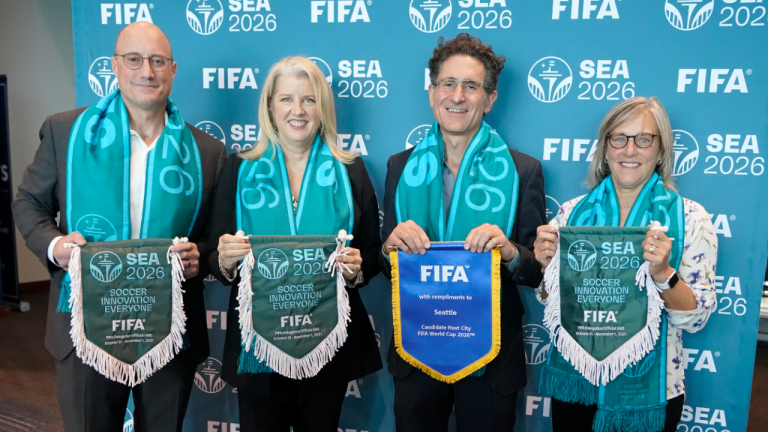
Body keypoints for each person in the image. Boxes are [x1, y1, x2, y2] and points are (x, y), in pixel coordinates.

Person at [11, 22, 226, 431]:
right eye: (134, 59)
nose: (147, 71)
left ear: (173, 70)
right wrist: (55, 246)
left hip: (169, 328)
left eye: (158, 61)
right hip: (83, 324)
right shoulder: (65, 132)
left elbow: (213, 243)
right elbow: (29, 203)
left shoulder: (207, 152)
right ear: (114, 65)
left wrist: (199, 258)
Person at [379, 33, 546, 432]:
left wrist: (509, 251)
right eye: (448, 83)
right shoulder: (399, 167)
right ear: (431, 93)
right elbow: (386, 266)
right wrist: (389, 249)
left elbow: (538, 271)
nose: (457, 96)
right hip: (417, 346)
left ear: (489, 99)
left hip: (491, 355)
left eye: (471, 86)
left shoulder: (523, 170)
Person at [205, 56, 382, 432]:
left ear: (322, 108)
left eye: (309, 99)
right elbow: (212, 255)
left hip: (328, 344)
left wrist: (357, 268)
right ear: (270, 107)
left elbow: (371, 253)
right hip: (257, 347)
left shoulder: (350, 170)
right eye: (286, 99)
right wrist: (224, 259)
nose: (297, 110)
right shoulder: (239, 169)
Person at [533, 96, 717, 432]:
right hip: (579, 384)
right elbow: (550, 301)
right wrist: (547, 269)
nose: (629, 150)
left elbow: (696, 319)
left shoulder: (691, 219)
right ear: (605, 149)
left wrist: (663, 274)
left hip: (653, 390)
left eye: (644, 139)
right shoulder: (571, 214)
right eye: (619, 138)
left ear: (660, 150)